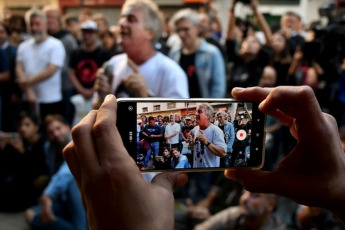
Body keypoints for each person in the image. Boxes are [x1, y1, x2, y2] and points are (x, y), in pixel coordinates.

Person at [62, 85, 345, 230]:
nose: (193, 116)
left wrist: (204, 144)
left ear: (207, 116)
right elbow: (185, 141)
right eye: (193, 114)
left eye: (196, 114)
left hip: (210, 161)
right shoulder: (193, 129)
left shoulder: (217, 132)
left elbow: (222, 152)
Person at [94, 0, 189, 108]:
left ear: (150, 33)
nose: (122, 23)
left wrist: (146, 97)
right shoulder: (114, 63)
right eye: (122, 17)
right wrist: (102, 97)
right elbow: (97, 110)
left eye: (131, 19)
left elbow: (179, 119)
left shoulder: (171, 72)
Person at [25, 114, 87, 230]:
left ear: (67, 127)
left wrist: (48, 194)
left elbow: (67, 171)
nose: (56, 134)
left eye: (58, 128)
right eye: (50, 132)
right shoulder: (49, 148)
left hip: (80, 196)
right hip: (61, 198)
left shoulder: (78, 143)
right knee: (30, 214)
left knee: (72, 183)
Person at [16, 9, 66, 121]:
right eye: (31, 24)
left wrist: (26, 82)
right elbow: (19, 67)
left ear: (45, 24)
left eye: (37, 24)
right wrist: (28, 90)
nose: (34, 28)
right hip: (28, 98)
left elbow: (51, 69)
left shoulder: (56, 45)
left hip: (50, 98)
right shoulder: (23, 46)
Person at [169, 8, 226, 98]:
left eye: (185, 29)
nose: (181, 34)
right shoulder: (174, 52)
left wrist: (211, 108)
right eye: (178, 30)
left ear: (198, 28)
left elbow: (218, 87)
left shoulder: (212, 53)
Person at [0, 112, 48, 211]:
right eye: (20, 125)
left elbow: (34, 173)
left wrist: (23, 153)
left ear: (36, 127)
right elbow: (7, 165)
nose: (22, 129)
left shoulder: (43, 144)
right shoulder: (20, 141)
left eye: (27, 125)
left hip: (31, 188)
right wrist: (3, 148)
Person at [43, 5, 78, 125]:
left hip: (65, 86)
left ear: (58, 20)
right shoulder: (42, 39)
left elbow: (74, 62)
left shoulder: (68, 39)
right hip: (46, 87)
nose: (49, 20)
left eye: (52, 17)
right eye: (46, 17)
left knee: (64, 120)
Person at [194, 190, 286, 230]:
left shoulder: (277, 228)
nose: (244, 199)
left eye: (254, 196)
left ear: (270, 205)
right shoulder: (235, 214)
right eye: (243, 193)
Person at [188, 103, 227, 168]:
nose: (196, 114)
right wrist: (191, 144)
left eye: (199, 112)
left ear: (207, 115)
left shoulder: (216, 131)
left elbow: (223, 153)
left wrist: (207, 143)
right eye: (196, 111)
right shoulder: (195, 130)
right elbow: (192, 148)